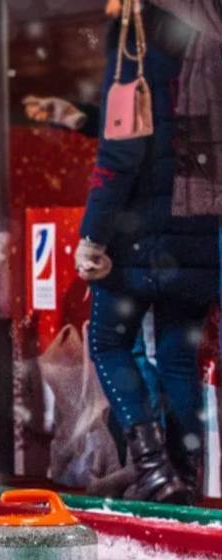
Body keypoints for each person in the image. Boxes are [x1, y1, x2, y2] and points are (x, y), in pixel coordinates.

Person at [78, 2, 216, 503]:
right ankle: (186, 476)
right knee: (179, 356)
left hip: (139, 233)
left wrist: (92, 234)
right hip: (202, 224)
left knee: (109, 343)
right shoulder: (209, 35)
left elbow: (121, 151)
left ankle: (155, 471)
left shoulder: (134, 39)